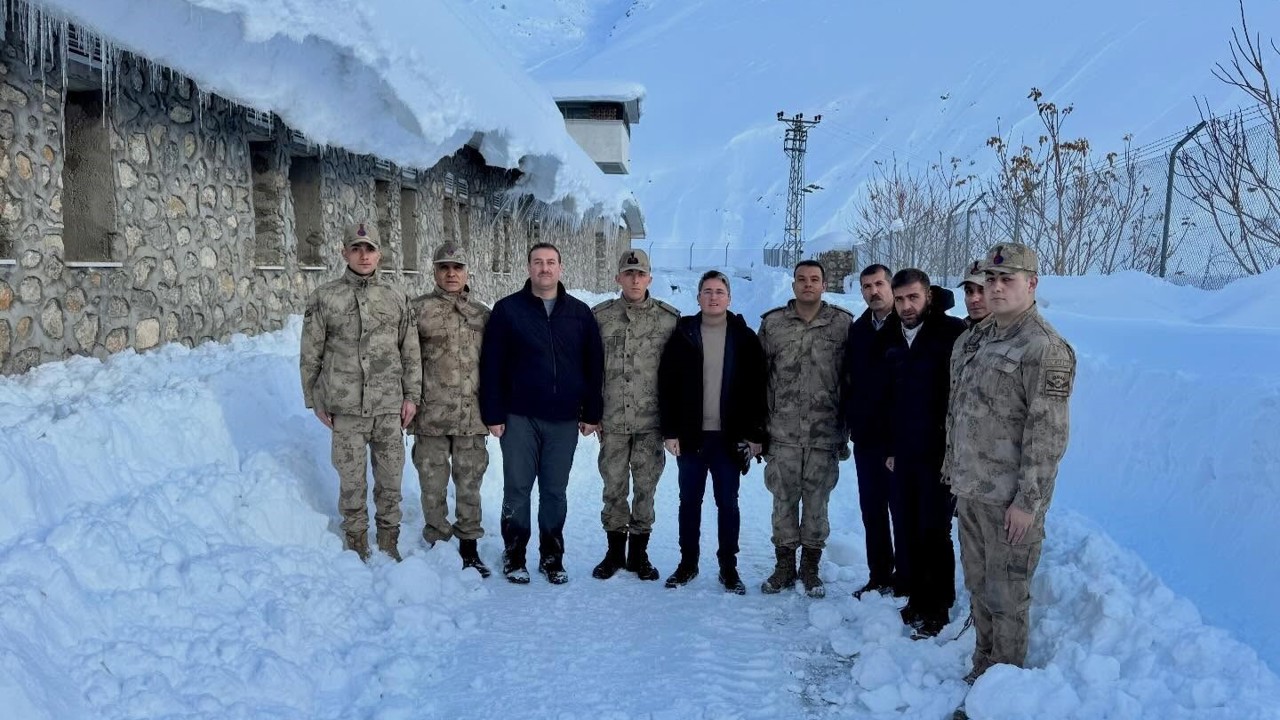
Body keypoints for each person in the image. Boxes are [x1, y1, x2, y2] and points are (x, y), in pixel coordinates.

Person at [945, 242, 1076, 683]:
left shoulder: (1044, 348)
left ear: (1032, 283)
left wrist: (1027, 502)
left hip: (1008, 502)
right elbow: (962, 412)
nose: (996, 288)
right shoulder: (981, 338)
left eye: (1008, 279)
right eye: (992, 279)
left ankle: (1002, 687)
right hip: (972, 490)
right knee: (979, 588)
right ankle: (982, 668)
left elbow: (1047, 435)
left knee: (1007, 598)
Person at [479, 242, 605, 585]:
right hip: (519, 416)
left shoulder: (579, 313)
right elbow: (491, 365)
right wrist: (493, 412)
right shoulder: (508, 310)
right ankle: (515, 555)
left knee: (554, 491)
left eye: (551, 262)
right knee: (517, 488)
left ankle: (552, 557)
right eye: (538, 262)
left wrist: (592, 412)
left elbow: (594, 367)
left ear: (560, 268)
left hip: (563, 418)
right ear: (529, 267)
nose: (544, 268)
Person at [300, 222, 421, 562]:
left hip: (388, 406)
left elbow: (410, 350)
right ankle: (356, 541)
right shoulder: (325, 297)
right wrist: (315, 399)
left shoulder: (396, 297)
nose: (363, 255)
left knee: (390, 480)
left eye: (370, 249)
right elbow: (311, 352)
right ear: (344, 253)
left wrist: (411, 396)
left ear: (379, 254)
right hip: (346, 406)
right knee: (351, 482)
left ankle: (389, 539)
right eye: (356, 249)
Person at [657, 270, 767, 595]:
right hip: (692, 437)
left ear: (729, 298)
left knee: (728, 504)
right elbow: (667, 386)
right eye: (707, 291)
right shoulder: (683, 335)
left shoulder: (744, 338)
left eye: (719, 291)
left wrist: (755, 435)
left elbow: (759, 389)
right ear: (698, 297)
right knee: (689, 502)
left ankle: (728, 568)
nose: (713, 297)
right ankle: (687, 563)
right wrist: (670, 431)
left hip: (728, 439)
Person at [870, 269, 966, 637]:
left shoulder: (951, 333)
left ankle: (938, 606)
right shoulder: (890, 336)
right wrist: (889, 447)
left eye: (914, 297)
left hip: (939, 452)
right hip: (903, 452)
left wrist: (954, 449)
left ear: (928, 295)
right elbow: (885, 397)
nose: (907, 306)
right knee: (907, 526)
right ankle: (917, 599)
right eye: (900, 299)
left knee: (934, 530)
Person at [758, 260, 853, 598]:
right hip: (782, 433)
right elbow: (759, 379)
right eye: (802, 279)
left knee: (817, 504)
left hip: (824, 434)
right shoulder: (773, 324)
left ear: (824, 285)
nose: (808, 284)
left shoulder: (842, 324)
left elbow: (851, 380)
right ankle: (784, 566)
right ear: (793, 285)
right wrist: (759, 431)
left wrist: (846, 431)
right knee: (783, 502)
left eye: (814, 279)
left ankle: (810, 567)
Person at [590, 249, 680, 581]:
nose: (635, 279)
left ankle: (639, 554)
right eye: (628, 273)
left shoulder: (669, 320)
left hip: (650, 423)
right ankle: (614, 553)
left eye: (640, 273)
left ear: (650, 278)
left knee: (646, 488)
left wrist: (674, 423)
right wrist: (591, 411)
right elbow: (591, 369)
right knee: (613, 487)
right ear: (618, 278)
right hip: (613, 421)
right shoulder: (600, 318)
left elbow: (677, 375)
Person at [409, 242, 492, 577]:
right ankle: (438, 542)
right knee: (432, 484)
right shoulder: (417, 310)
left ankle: (469, 547)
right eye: (444, 267)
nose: (451, 273)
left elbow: (495, 365)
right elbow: (406, 360)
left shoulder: (482, 315)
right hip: (430, 416)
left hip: (472, 416)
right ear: (434, 271)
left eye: (457, 267)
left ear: (467, 272)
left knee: (470, 484)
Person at [841, 264, 902, 599]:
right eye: (867, 286)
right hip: (866, 438)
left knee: (902, 511)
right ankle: (879, 575)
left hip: (900, 438)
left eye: (879, 284)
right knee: (872, 510)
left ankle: (906, 578)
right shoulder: (859, 329)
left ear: (891, 285)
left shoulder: (907, 324)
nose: (873, 291)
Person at [957, 260, 990, 327]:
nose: (974, 299)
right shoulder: (960, 329)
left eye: (983, 290)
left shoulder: (1008, 331)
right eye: (969, 292)